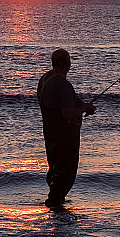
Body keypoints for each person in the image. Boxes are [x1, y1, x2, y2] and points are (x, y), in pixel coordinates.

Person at [37, 49, 96, 207]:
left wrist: (82, 106)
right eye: (69, 60)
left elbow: (59, 106)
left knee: (55, 167)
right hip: (64, 135)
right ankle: (55, 202)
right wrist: (85, 109)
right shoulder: (62, 84)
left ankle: (55, 205)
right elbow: (68, 113)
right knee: (66, 170)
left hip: (50, 132)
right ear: (66, 63)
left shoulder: (44, 79)